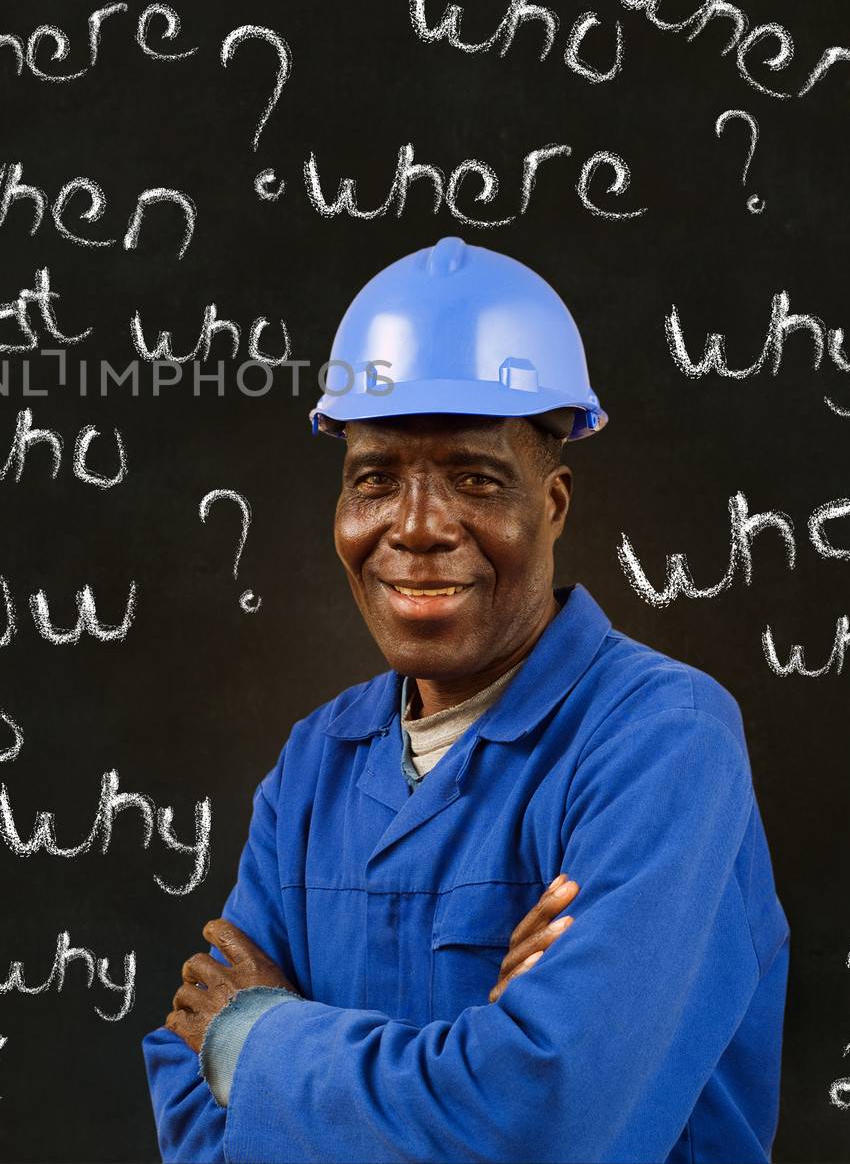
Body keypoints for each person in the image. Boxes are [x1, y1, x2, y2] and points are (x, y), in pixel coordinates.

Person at [141, 237, 789, 1163]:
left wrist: (255, 1044)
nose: (416, 527)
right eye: (375, 479)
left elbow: (549, 1122)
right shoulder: (315, 764)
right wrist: (474, 1063)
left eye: (474, 478)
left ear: (553, 503)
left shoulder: (663, 743)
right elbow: (191, 1106)